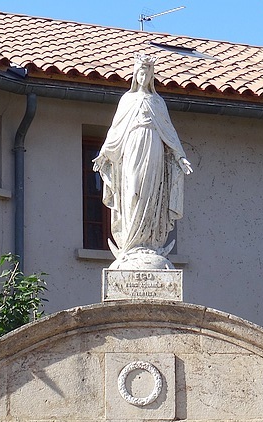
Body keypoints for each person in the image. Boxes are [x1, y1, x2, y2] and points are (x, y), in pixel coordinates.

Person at [93, 54, 192, 267]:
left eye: (147, 73)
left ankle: (149, 243)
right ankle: (131, 243)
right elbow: (116, 130)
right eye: (140, 72)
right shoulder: (127, 100)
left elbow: (169, 131)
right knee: (132, 192)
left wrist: (180, 156)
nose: (143, 76)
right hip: (131, 148)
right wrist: (104, 153)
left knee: (152, 194)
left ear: (151, 76)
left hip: (153, 149)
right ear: (135, 75)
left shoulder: (157, 102)